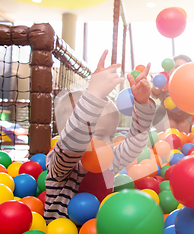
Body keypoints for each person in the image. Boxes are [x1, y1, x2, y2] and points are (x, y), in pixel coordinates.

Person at [44, 50, 156, 222]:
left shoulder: (108, 162)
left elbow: (134, 145)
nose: (108, 144)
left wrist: (142, 105)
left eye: (111, 136)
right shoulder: (60, 164)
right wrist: (94, 93)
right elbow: (72, 144)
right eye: (100, 135)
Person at [151, 55, 192, 133]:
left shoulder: (191, 82)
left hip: (185, 116)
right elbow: (155, 94)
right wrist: (157, 83)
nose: (179, 70)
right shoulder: (165, 78)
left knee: (184, 125)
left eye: (183, 68)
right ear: (171, 68)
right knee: (171, 125)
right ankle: (168, 144)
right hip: (164, 115)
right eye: (177, 67)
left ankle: (182, 145)